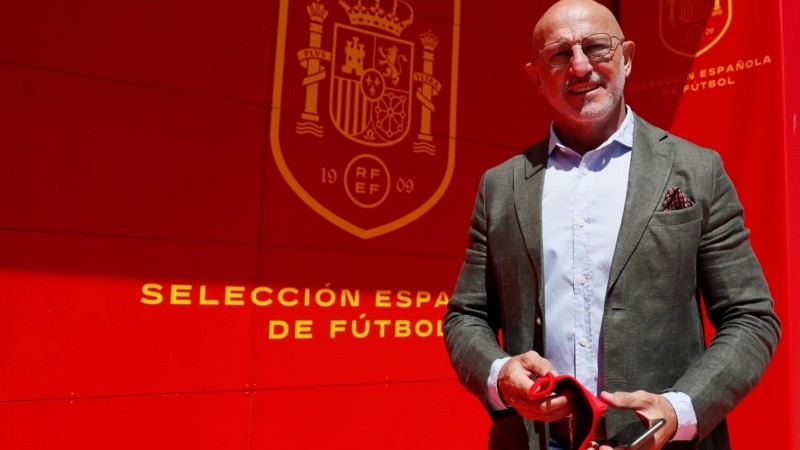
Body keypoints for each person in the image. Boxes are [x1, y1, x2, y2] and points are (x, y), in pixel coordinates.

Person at [442, 1, 781, 449]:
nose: (581, 66)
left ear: (628, 58)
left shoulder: (697, 171)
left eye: (596, 47)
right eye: (559, 55)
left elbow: (751, 317)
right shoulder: (500, 187)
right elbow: (466, 319)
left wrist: (678, 410)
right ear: (536, 76)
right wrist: (500, 375)